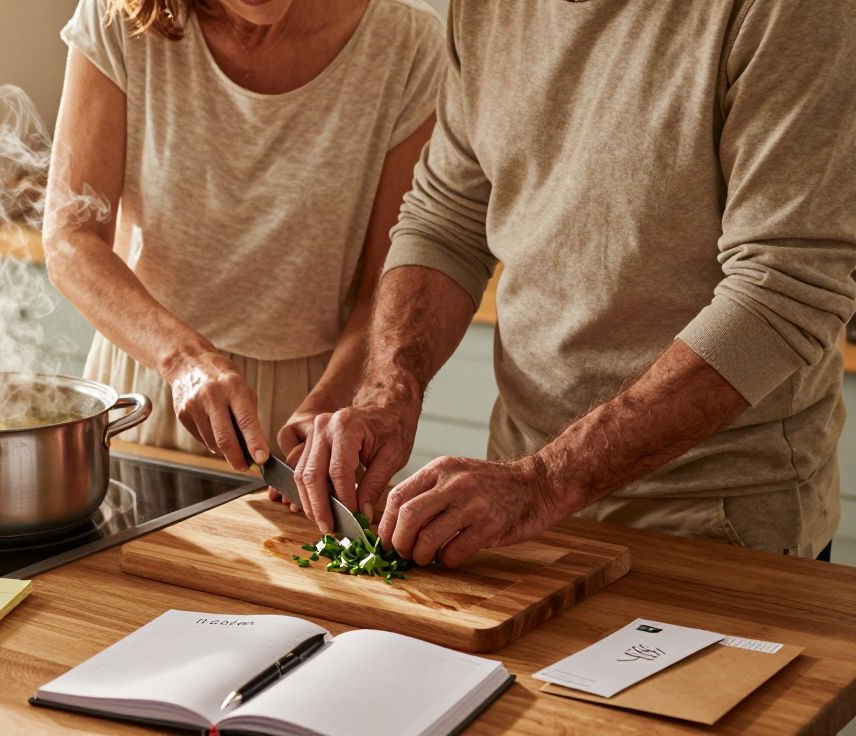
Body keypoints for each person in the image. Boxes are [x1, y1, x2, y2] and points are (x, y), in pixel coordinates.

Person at [292, 0, 856, 563]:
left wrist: (543, 481)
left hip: (711, 520)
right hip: (516, 506)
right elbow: (446, 219)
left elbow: (782, 289)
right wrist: (388, 392)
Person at [44, 0, 444, 475]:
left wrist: (330, 402)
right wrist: (182, 360)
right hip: (148, 386)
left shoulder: (407, 43)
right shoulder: (120, 16)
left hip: (316, 409)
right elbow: (71, 239)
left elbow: (385, 283)